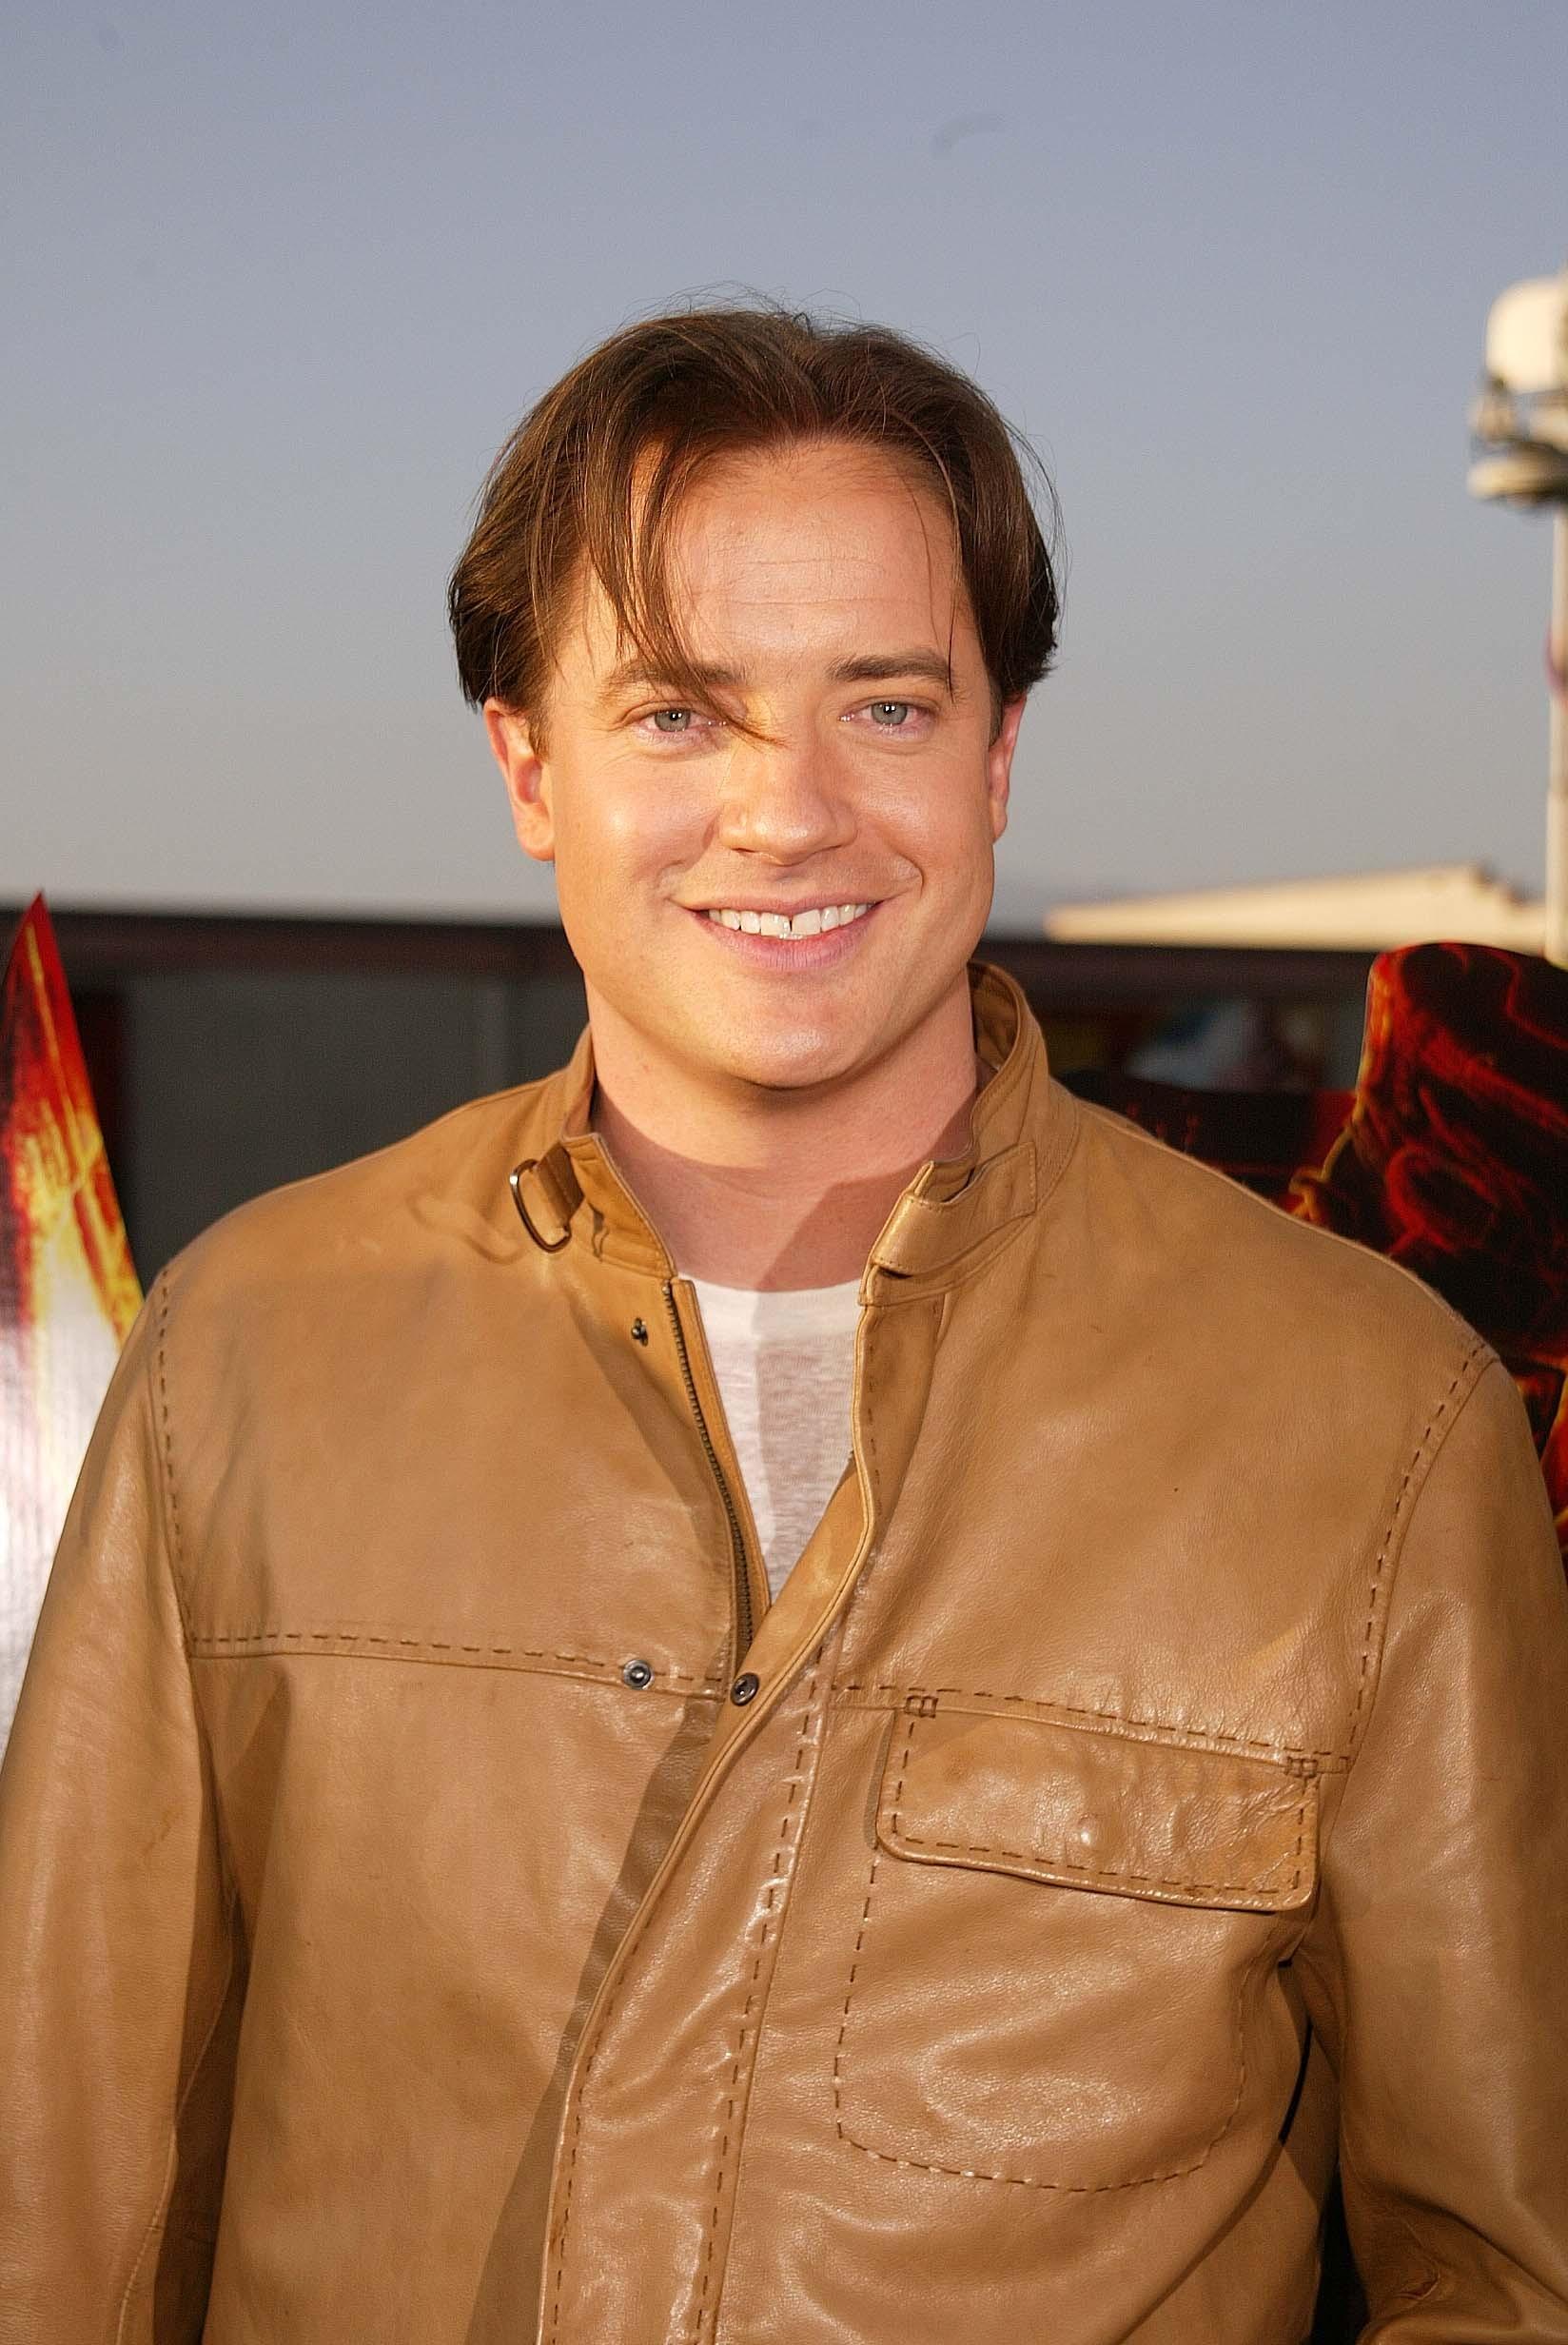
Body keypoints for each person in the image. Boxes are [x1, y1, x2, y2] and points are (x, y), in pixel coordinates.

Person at [1, 302, 1565, 2345]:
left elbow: (1504, 2274)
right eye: (678, 713)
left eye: (885, 706)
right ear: (527, 766)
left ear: (998, 755)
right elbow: (57, 2213)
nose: (788, 811)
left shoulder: (1371, 1418)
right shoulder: (246, 1360)